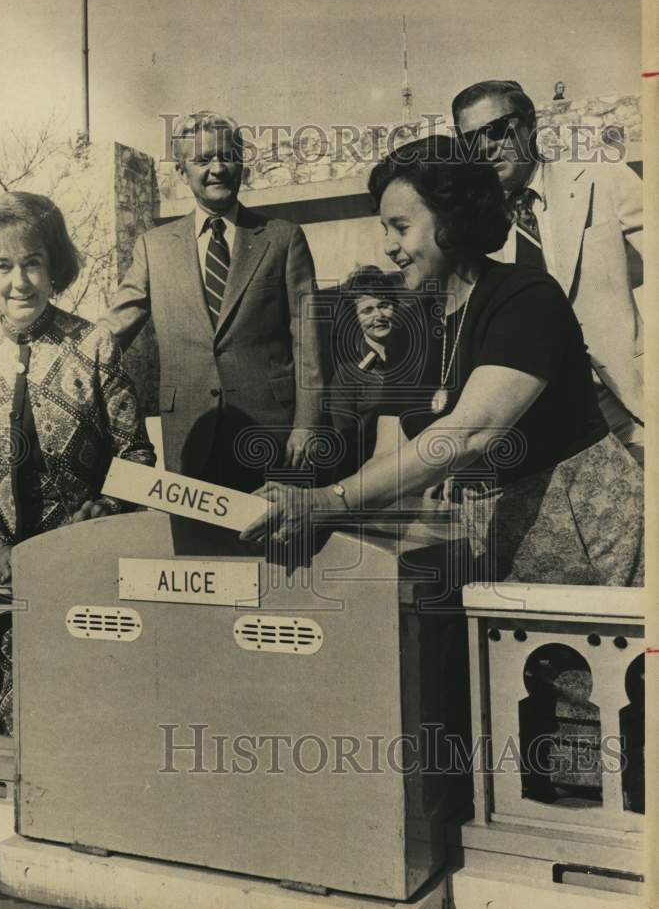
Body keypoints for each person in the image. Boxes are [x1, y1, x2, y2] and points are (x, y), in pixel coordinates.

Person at [241, 136, 644, 588]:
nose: (389, 247)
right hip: (493, 542)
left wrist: (331, 500)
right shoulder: (415, 328)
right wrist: (316, 505)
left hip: (588, 531)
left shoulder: (525, 297)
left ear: (453, 221)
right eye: (385, 230)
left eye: (401, 227)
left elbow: (469, 433)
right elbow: (388, 455)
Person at [0, 192, 156, 731]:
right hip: (11, 577)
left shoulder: (93, 345)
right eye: (3, 266)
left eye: (33, 263)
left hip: (92, 570)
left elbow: (137, 457)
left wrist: (103, 514)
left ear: (53, 267)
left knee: (93, 725)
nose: (20, 282)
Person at [100, 111, 328, 496]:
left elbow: (308, 341)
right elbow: (116, 326)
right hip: (189, 431)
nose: (217, 169)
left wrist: (307, 423)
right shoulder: (153, 247)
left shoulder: (283, 238)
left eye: (227, 156)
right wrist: (58, 352)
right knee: (195, 548)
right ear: (182, 172)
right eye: (203, 160)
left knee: (274, 543)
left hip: (271, 431)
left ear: (242, 163)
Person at [451, 79, 644, 462]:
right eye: (471, 139)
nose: (486, 147)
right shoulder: (476, 231)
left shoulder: (599, 177)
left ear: (529, 123)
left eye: (496, 131)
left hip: (635, 395)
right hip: (557, 426)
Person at [328, 265, 414, 478]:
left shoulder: (417, 357)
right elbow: (345, 448)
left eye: (384, 305)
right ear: (354, 319)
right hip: (375, 477)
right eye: (367, 310)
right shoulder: (347, 375)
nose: (379, 315)